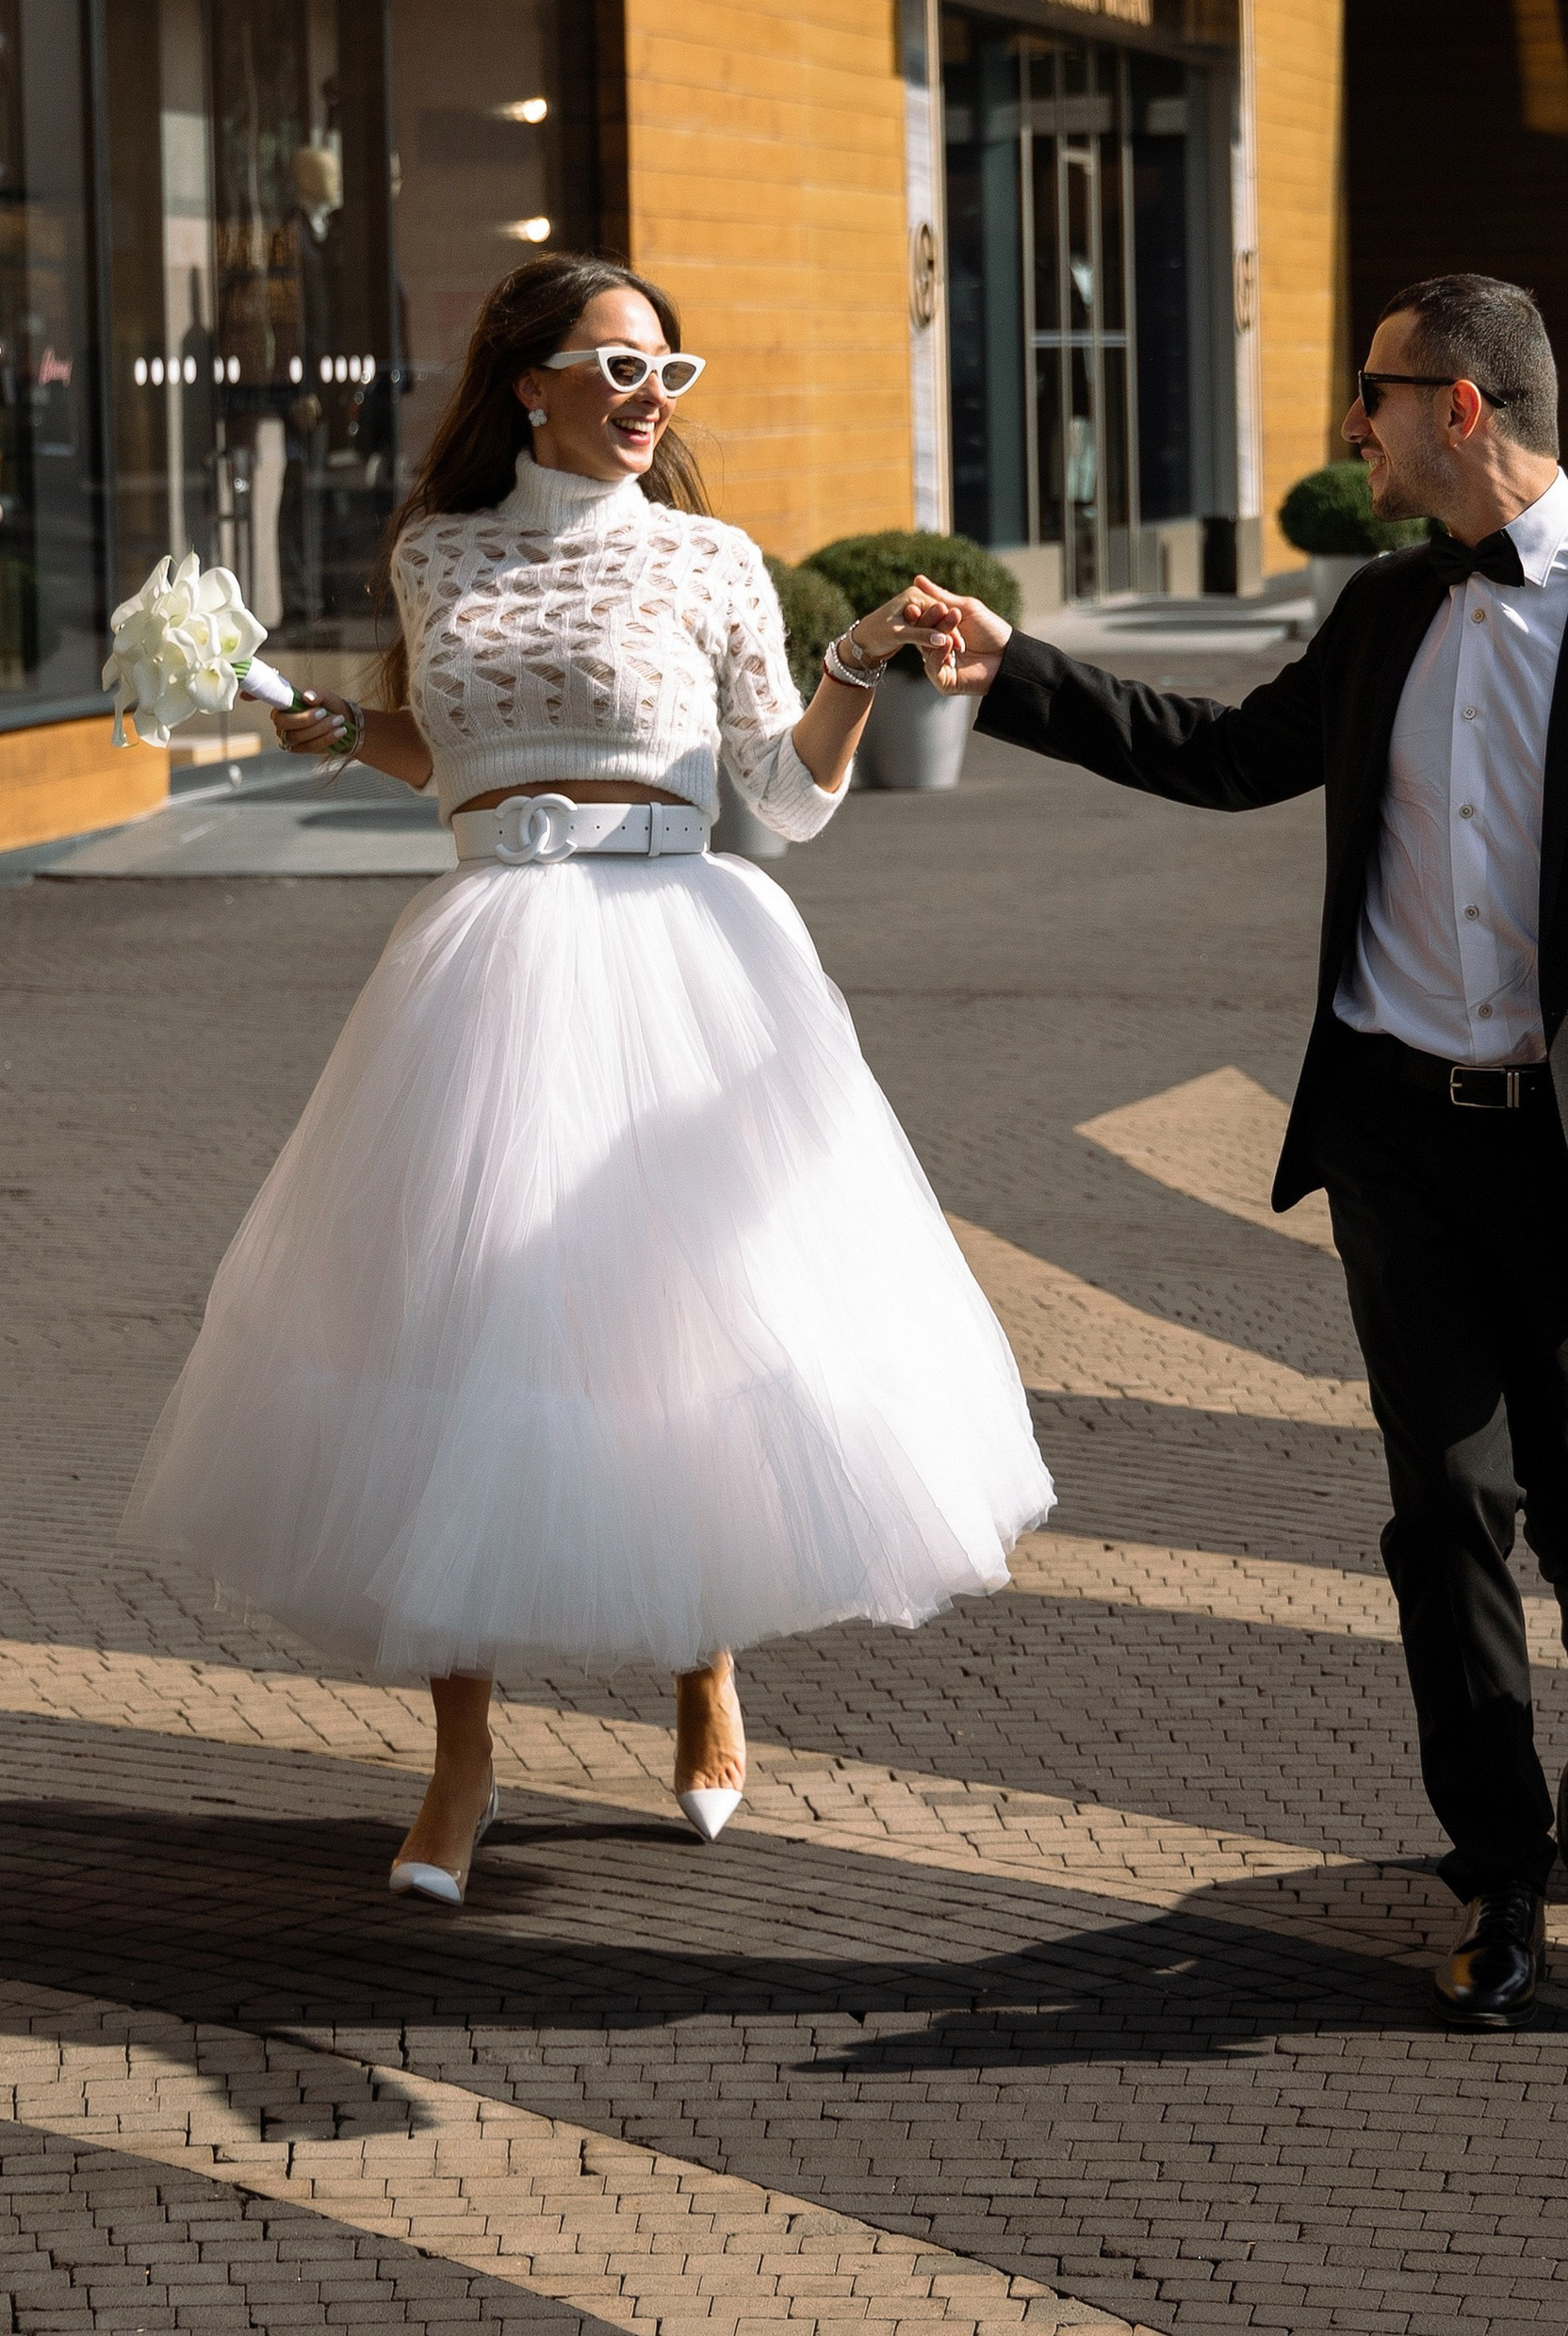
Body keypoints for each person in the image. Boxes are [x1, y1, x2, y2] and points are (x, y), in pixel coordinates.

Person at [912, 273, 1568, 2028]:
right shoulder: (1389, 607)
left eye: (1376, 393)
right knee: (1444, 1517)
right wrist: (1010, 669)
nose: (1358, 427)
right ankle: (1497, 1876)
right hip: (1401, 1133)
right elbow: (1232, 752)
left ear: (1463, 407)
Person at [122, 252, 1052, 1904]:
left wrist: (852, 665)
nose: (647, 400)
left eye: (667, 375)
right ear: (527, 381)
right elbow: (443, 753)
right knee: (456, 1335)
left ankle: (706, 1668)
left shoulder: (708, 561)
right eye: (616, 368)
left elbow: (787, 792)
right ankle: (462, 1763)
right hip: (486, 959)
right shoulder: (437, 550)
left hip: (684, 948)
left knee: (690, 1323)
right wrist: (341, 730)